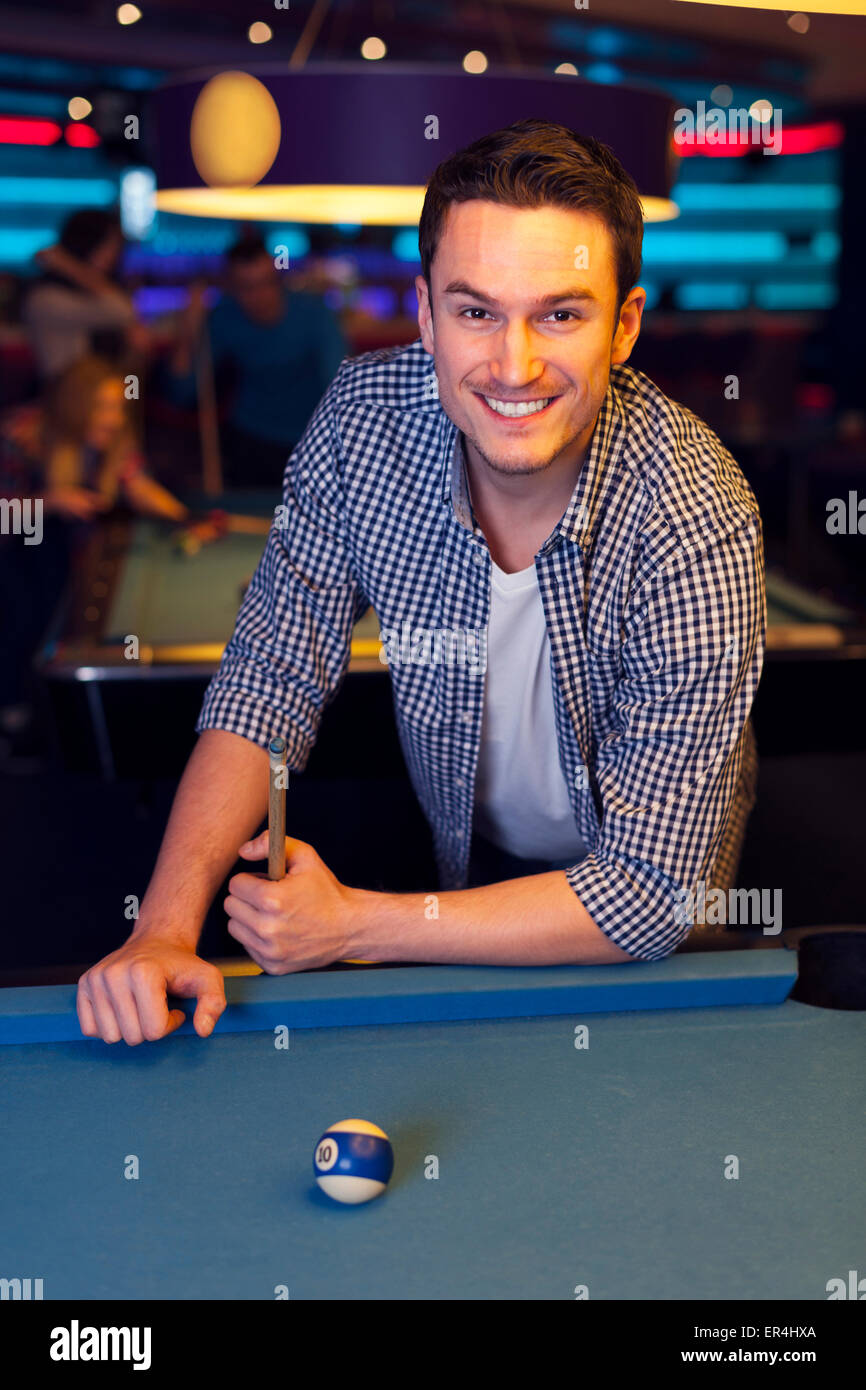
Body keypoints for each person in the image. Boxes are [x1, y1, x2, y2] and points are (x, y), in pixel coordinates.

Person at [77, 120, 765, 1046]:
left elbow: (647, 897)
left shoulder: (696, 515)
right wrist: (160, 930)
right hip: (466, 862)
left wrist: (359, 923)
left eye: (560, 314)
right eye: (476, 311)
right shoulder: (365, 422)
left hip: (659, 919)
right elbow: (269, 679)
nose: (513, 367)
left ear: (625, 326)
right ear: (425, 314)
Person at [0, 356, 186, 757]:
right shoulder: (20, 434)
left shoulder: (115, 440)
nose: (116, 417)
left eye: (119, 406)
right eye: (104, 407)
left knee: (61, 631)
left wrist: (184, 516)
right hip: (18, 554)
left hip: (70, 557)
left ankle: (55, 718)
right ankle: (13, 729)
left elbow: (136, 483)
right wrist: (48, 502)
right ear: (75, 406)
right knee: (21, 630)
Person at [165, 235, 348, 488]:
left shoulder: (315, 314)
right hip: (251, 442)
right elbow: (182, 392)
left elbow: (338, 385)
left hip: (312, 443)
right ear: (232, 288)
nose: (261, 295)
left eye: (268, 283)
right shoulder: (224, 317)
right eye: (247, 287)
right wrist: (188, 334)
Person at [22, 209, 148, 380]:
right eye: (107, 246)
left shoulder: (101, 296)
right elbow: (123, 311)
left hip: (110, 394)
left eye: (116, 248)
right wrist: (69, 265)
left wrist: (136, 355)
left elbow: (129, 377)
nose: (113, 255)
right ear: (86, 243)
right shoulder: (46, 299)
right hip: (71, 400)